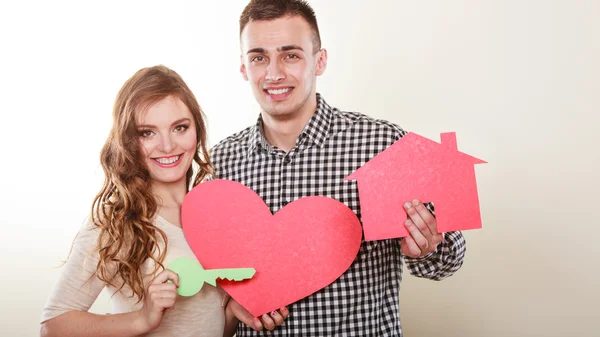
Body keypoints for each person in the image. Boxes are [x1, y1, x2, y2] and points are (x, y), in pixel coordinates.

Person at [210, 0, 468, 336]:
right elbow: (209, 285)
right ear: (243, 68)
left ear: (320, 61)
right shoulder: (218, 164)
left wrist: (431, 245)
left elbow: (448, 261)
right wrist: (233, 303)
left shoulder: (381, 145)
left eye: (291, 55)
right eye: (259, 57)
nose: (273, 74)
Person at [40, 65, 287, 337]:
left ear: (197, 130)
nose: (168, 146)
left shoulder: (215, 218)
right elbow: (53, 326)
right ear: (128, 140)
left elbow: (208, 326)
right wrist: (143, 319)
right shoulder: (116, 222)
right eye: (147, 132)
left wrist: (234, 311)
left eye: (180, 128)